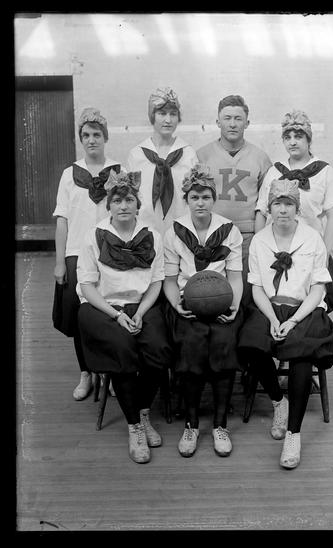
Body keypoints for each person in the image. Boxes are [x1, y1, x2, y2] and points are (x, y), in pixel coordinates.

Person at [238, 179, 333, 469]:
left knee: (302, 354)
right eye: (277, 203)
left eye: (289, 204)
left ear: (297, 208)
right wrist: (270, 318)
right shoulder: (259, 240)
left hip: (304, 308)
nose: (283, 210)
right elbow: (256, 288)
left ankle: (294, 433)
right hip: (269, 305)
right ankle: (279, 401)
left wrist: (293, 320)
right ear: (269, 208)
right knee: (250, 344)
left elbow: (318, 289)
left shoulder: (312, 238)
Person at [76, 171, 173, 463]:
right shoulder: (94, 236)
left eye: (129, 199)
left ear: (137, 203)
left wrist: (142, 312)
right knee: (123, 349)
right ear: (109, 205)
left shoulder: (152, 236)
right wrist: (116, 316)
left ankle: (143, 412)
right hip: (102, 308)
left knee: (159, 349)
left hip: (140, 305)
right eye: (117, 200)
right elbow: (87, 287)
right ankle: (134, 428)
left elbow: (156, 282)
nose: (123, 206)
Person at [163, 164, 244, 458]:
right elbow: (170, 281)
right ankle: (192, 423)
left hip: (222, 302)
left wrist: (233, 306)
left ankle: (220, 424)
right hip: (187, 303)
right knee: (192, 344)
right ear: (186, 199)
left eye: (206, 197)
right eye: (195, 197)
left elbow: (235, 277)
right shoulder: (173, 232)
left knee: (224, 342)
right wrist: (176, 306)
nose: (200, 202)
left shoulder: (229, 230)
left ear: (213, 199)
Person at [52, 107, 124, 401]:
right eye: (86, 135)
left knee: (109, 311)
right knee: (78, 315)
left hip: (110, 252)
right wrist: (60, 262)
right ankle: (86, 372)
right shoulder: (70, 174)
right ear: (81, 139)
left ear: (105, 138)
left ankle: (110, 370)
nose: (91, 140)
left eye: (97, 134)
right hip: (76, 254)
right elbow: (62, 220)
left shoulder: (117, 172)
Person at [255, 110, 333, 312]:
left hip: (310, 250)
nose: (293, 142)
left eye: (298, 136)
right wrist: (262, 248)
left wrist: (324, 254)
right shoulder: (275, 171)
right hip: (278, 248)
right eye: (288, 137)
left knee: (311, 303)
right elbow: (261, 212)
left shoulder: (325, 172)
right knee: (277, 301)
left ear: (308, 139)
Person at [196, 94, 272, 303]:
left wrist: (261, 238)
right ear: (217, 121)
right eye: (227, 118)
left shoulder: (260, 157)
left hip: (247, 236)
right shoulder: (202, 156)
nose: (232, 124)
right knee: (213, 292)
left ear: (247, 122)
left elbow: (265, 204)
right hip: (211, 234)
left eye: (238, 118)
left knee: (247, 294)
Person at [127, 87, 198, 236]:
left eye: (173, 114)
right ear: (152, 116)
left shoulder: (188, 153)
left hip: (181, 232)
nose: (168, 120)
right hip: (145, 233)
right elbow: (130, 198)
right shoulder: (137, 155)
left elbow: (194, 197)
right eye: (162, 113)